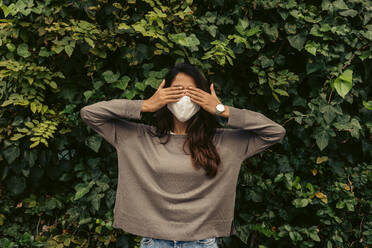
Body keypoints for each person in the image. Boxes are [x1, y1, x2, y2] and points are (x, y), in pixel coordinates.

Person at [80, 62, 286, 248]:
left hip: (202, 243)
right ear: (164, 93)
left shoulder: (225, 142)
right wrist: (146, 105)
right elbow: (89, 114)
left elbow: (275, 132)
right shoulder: (137, 138)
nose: (184, 98)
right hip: (154, 242)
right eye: (177, 91)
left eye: (193, 92)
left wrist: (222, 110)